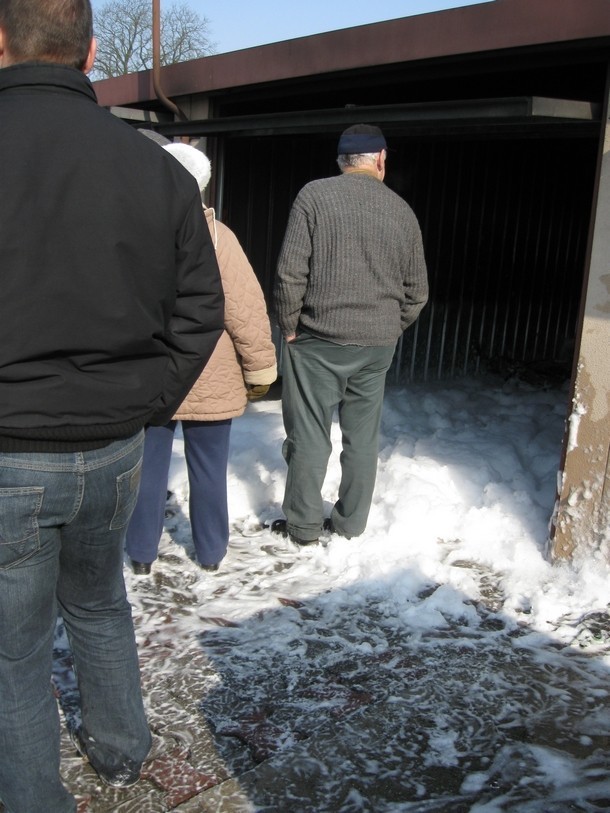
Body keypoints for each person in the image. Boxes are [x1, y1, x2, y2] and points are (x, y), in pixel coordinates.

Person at [0, 2, 224, 812]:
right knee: (99, 602)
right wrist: (147, 401)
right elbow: (203, 307)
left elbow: (199, 305)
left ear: (0, 42)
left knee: (15, 650)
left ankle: (32, 795)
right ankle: (124, 747)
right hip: (114, 442)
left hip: (11, 452)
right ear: (91, 50)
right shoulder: (154, 167)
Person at [273, 124, 428, 545]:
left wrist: (288, 326)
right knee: (362, 438)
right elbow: (418, 292)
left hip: (317, 340)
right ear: (380, 159)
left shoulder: (314, 196)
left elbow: (290, 272)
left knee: (309, 433)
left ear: (341, 160)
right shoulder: (402, 211)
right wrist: (389, 328)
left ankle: (303, 528)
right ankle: (351, 524)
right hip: (376, 347)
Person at [126, 142, 277, 575]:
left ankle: (141, 553)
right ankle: (210, 554)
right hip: (211, 370)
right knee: (209, 470)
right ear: (203, 185)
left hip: (152, 372)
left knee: (147, 469)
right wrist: (259, 367)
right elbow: (243, 306)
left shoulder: (133, 232)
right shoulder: (218, 236)